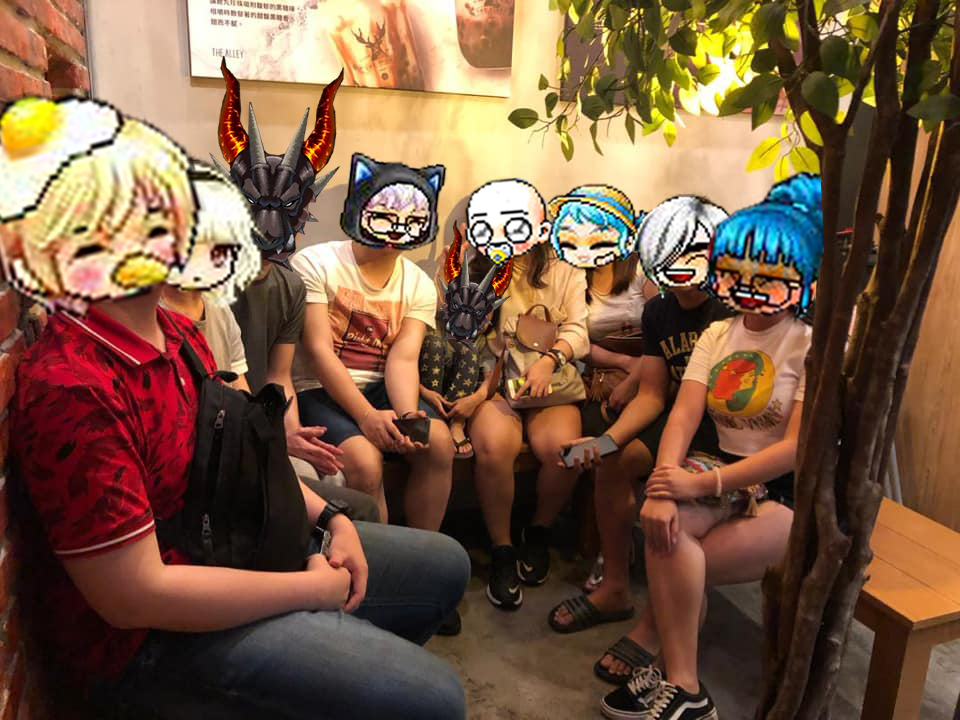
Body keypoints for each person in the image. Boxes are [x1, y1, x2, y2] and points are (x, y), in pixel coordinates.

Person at [2, 96, 469, 720]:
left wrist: (329, 522)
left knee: (445, 565)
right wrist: (307, 588)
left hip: (226, 542)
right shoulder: (74, 383)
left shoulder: (176, 331)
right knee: (434, 699)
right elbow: (135, 597)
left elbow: (246, 452)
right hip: (148, 645)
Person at [599, 174, 823, 720]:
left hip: (785, 497)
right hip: (718, 474)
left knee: (673, 551)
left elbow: (796, 449)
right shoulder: (718, 334)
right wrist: (663, 485)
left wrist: (704, 483)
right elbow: (682, 412)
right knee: (662, 523)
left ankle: (677, 679)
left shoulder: (809, 343)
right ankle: (684, 684)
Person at [548, 197, 732, 688]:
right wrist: (603, 442)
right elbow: (652, 394)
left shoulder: (732, 310)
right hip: (678, 420)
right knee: (612, 460)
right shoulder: (659, 312)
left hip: (724, 436)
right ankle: (614, 588)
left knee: (665, 495)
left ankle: (656, 622)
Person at [167, 163, 380, 521]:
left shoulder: (225, 311)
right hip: (199, 472)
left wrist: (282, 434)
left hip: (235, 444)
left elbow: (254, 392)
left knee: (353, 502)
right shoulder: (154, 316)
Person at [464, 179, 590, 610]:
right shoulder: (476, 266)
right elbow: (463, 337)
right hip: (494, 386)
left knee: (564, 451)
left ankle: (538, 530)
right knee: (495, 448)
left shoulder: (563, 266)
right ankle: (502, 548)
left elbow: (578, 329)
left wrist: (551, 359)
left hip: (550, 384)